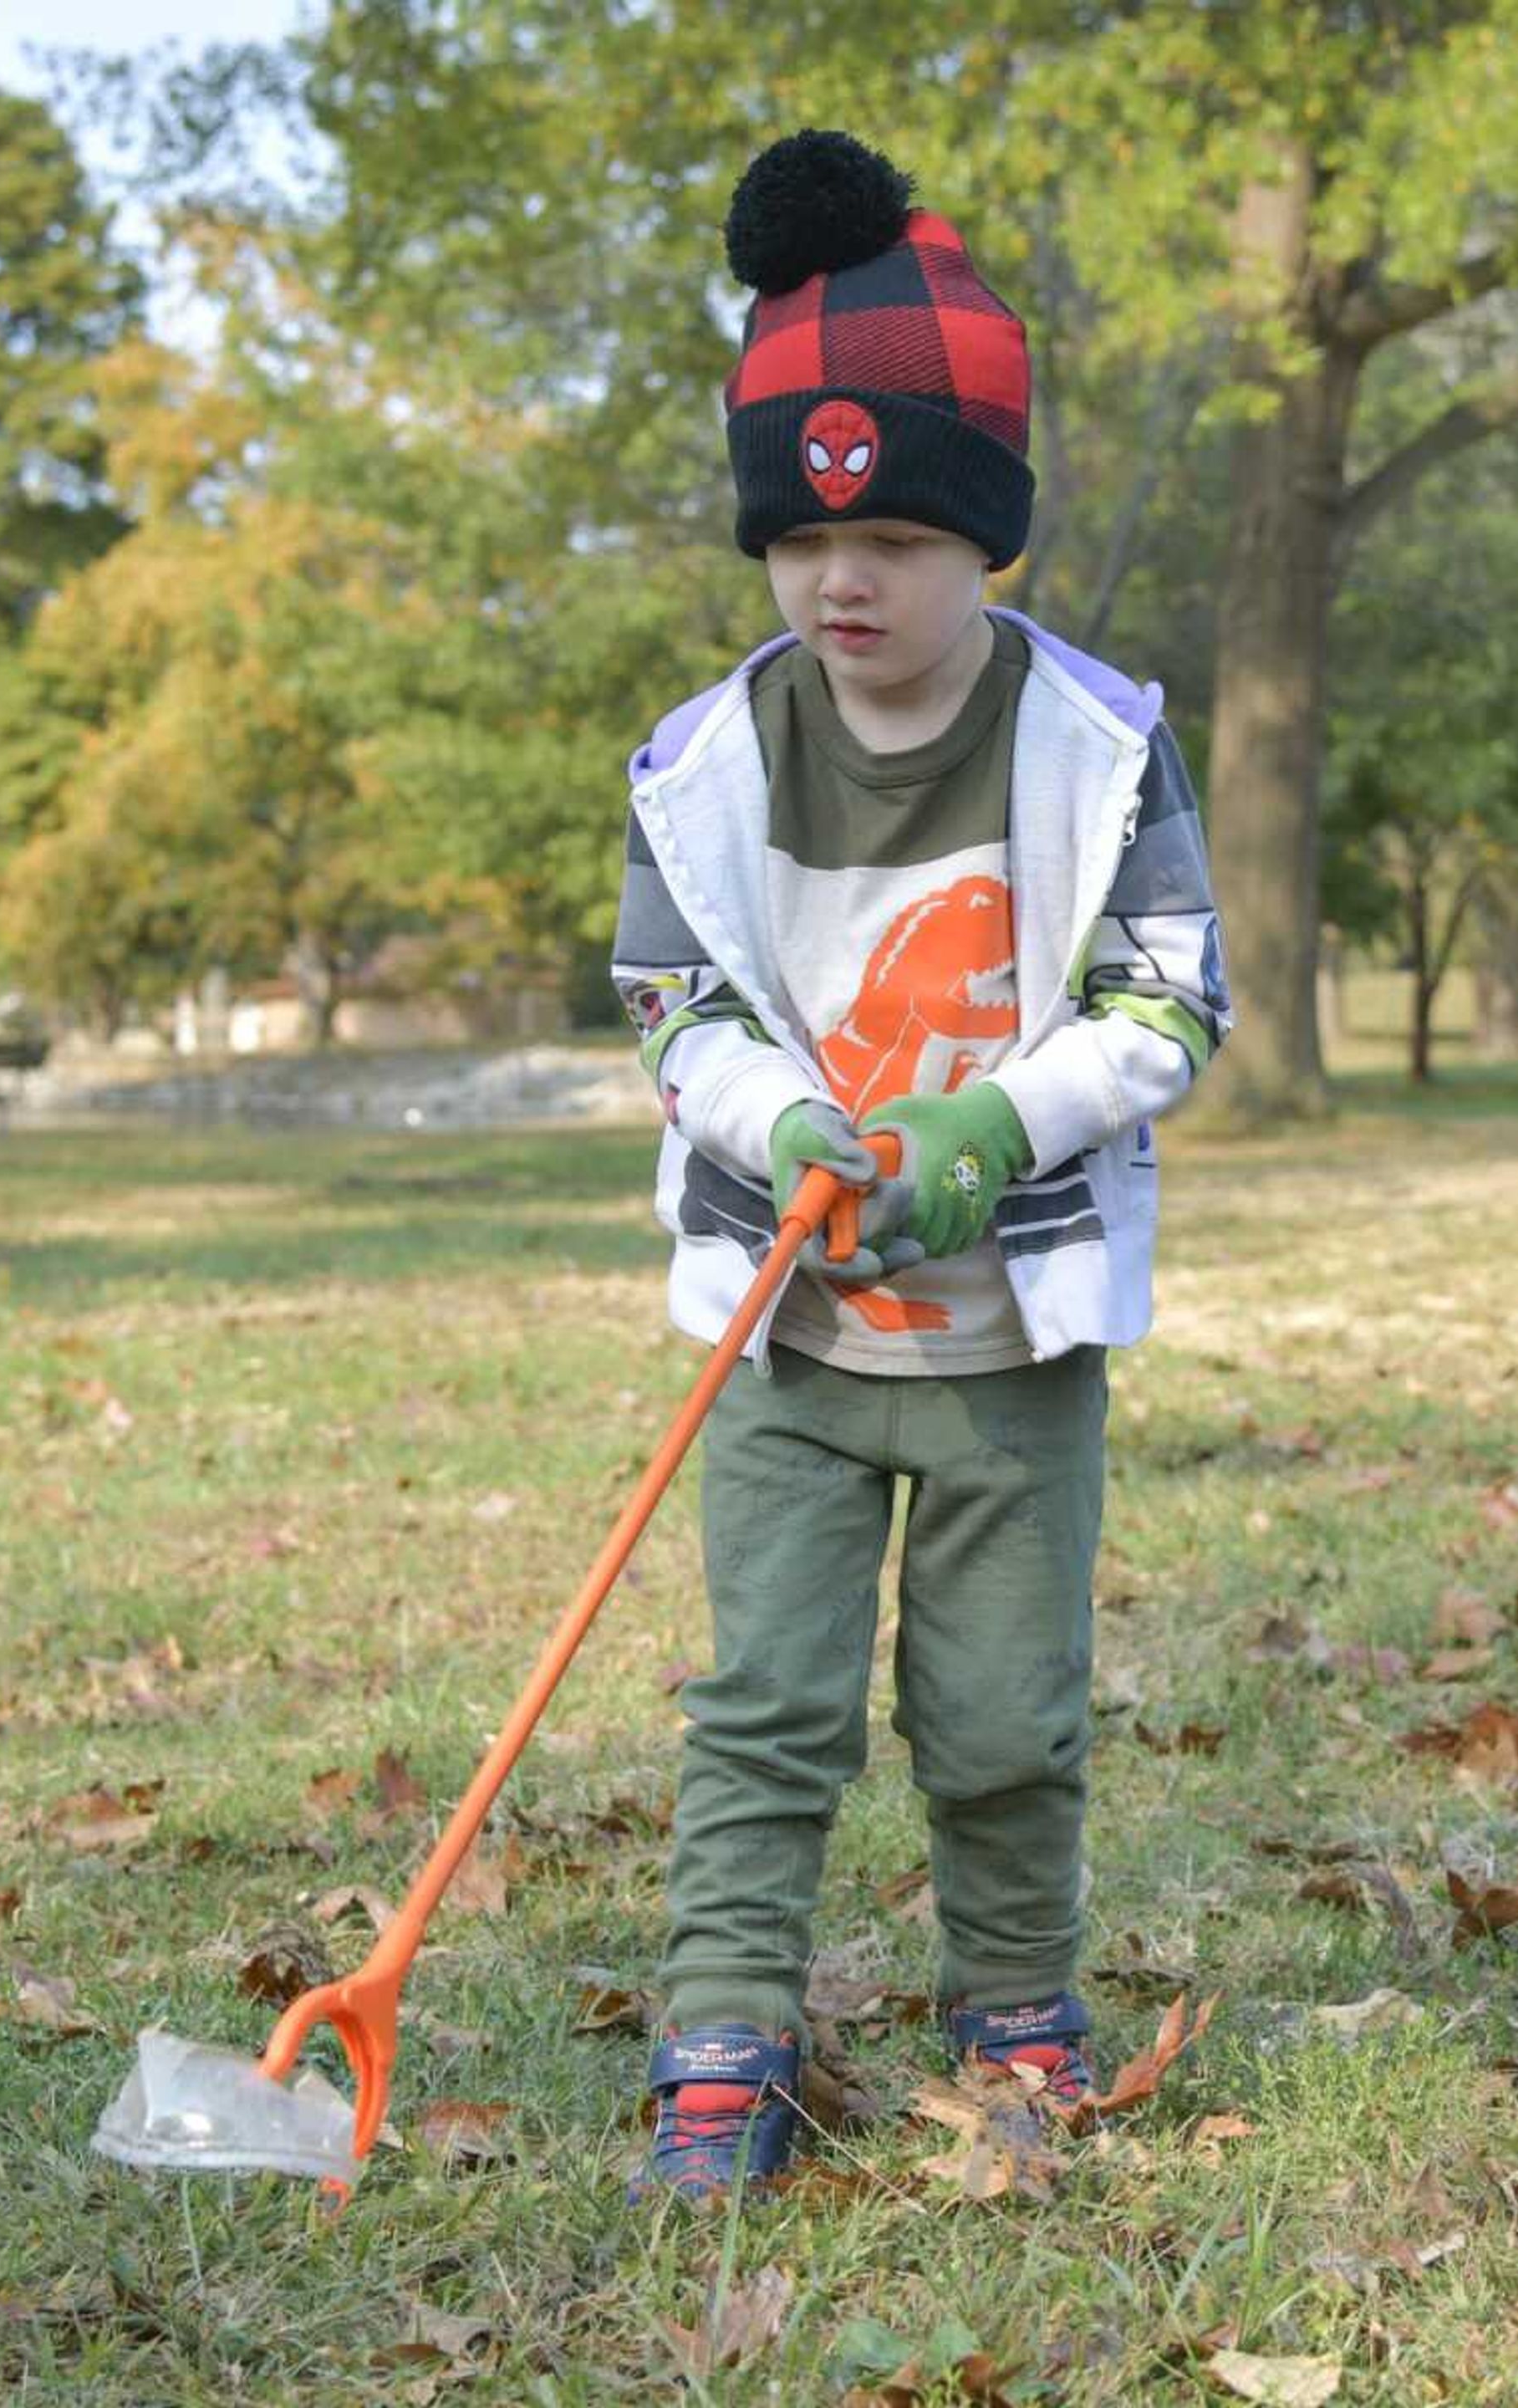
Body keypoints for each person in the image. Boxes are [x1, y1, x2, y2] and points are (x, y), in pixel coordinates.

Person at [611, 128, 1232, 2200]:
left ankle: (1016, 2001)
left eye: (889, 538)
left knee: (1003, 1725)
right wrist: (779, 1121)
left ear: (990, 537)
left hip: (1010, 1349)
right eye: (795, 539)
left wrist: (997, 1121)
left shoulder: (1100, 749)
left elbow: (1168, 1005)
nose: (839, 582)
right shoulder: (708, 771)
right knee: (767, 1708)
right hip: (788, 1348)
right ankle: (725, 2034)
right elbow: (670, 1006)